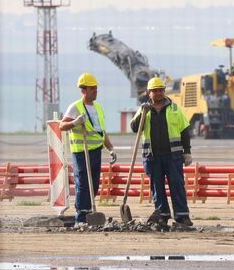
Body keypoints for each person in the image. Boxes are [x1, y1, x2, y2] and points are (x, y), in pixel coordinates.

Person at [130, 77, 193, 227]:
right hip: (152, 157)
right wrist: (142, 114)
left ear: (164, 91)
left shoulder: (175, 109)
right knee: (157, 187)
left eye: (161, 90)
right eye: (155, 91)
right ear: (148, 93)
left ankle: (182, 216)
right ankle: (162, 215)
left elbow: (185, 131)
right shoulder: (144, 109)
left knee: (177, 185)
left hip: (173, 156)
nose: (158, 93)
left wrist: (187, 151)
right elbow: (134, 128)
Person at [60, 73, 116, 224]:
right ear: (84, 90)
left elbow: (101, 132)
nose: (95, 91)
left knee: (94, 182)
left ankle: (90, 210)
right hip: (81, 152)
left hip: (96, 150)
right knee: (83, 182)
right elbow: (62, 126)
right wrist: (75, 122)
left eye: (96, 88)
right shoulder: (75, 107)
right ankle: (82, 215)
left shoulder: (98, 108)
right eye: (92, 89)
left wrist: (110, 148)